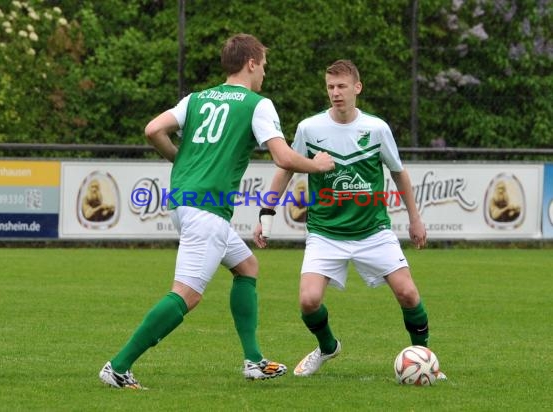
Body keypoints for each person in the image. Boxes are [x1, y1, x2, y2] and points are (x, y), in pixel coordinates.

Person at [98, 33, 335, 389]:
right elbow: (283, 157)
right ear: (251, 63)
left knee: (247, 267)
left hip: (184, 202)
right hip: (205, 210)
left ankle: (254, 361)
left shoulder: (197, 99)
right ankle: (117, 367)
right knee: (187, 294)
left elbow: (153, 130)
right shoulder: (256, 103)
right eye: (264, 66)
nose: (265, 74)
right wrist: (317, 165)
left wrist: (181, 159)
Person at [254, 59, 446, 379]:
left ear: (357, 88)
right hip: (326, 232)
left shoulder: (376, 128)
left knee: (409, 294)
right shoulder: (309, 128)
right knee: (308, 301)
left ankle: (425, 358)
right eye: (330, 87)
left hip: (373, 231)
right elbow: (285, 168)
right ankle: (328, 347)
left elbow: (399, 174)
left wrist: (415, 219)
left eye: (342, 86)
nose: (335, 93)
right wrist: (266, 214)